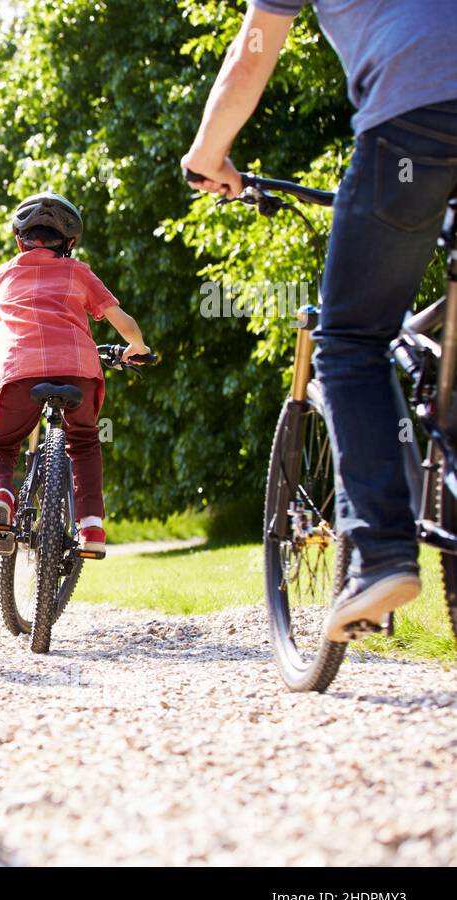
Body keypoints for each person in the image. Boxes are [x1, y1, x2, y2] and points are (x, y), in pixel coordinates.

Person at [181, 1, 457, 641]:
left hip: (414, 119)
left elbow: (252, 57)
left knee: (350, 341)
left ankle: (381, 552)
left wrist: (207, 155)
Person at [0, 192, 150, 557]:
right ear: (69, 243)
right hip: (78, 370)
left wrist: (2, 326)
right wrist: (139, 348)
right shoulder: (79, 271)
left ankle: (2, 494)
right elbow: (123, 322)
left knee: (2, 446)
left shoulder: (4, 273)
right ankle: (92, 526)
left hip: (19, 372)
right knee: (83, 441)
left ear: (19, 240)